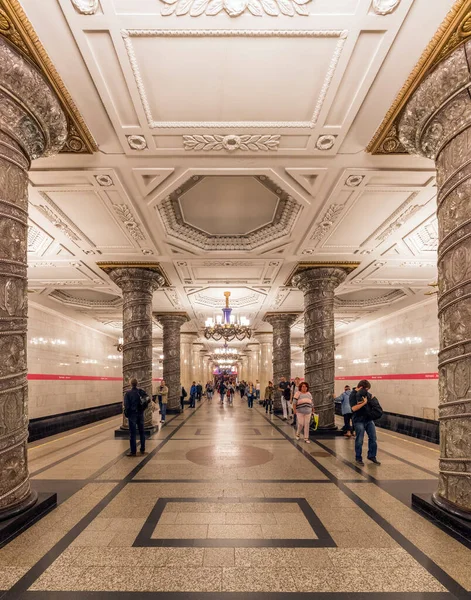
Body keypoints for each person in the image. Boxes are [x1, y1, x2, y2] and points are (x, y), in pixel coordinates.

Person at [350, 379, 381, 466]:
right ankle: (358, 457)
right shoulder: (352, 395)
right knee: (359, 439)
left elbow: (371, 401)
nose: (367, 391)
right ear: (361, 387)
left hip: (368, 419)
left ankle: (372, 455)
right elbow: (353, 408)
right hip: (358, 420)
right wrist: (364, 403)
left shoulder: (365, 394)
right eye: (366, 389)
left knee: (373, 438)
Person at [123, 378, 147, 456]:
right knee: (142, 432)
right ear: (137, 384)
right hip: (140, 414)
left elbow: (126, 406)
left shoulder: (128, 393)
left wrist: (127, 414)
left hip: (132, 415)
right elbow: (146, 400)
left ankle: (133, 451)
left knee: (132, 433)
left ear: (131, 384)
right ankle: (142, 449)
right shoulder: (141, 392)